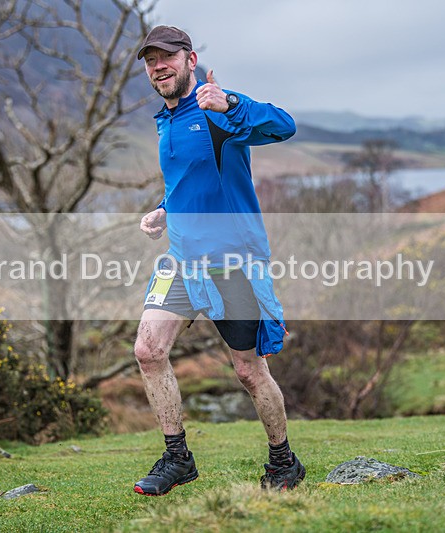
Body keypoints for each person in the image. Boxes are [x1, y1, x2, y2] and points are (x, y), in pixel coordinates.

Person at [132, 25, 304, 496]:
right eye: (150, 60)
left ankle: (283, 461)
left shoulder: (214, 110)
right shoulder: (165, 121)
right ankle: (177, 458)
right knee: (148, 351)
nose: (158, 66)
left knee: (249, 371)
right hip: (182, 263)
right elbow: (189, 182)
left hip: (231, 266)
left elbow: (284, 125)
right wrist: (165, 209)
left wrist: (230, 106)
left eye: (167, 57)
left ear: (190, 59)